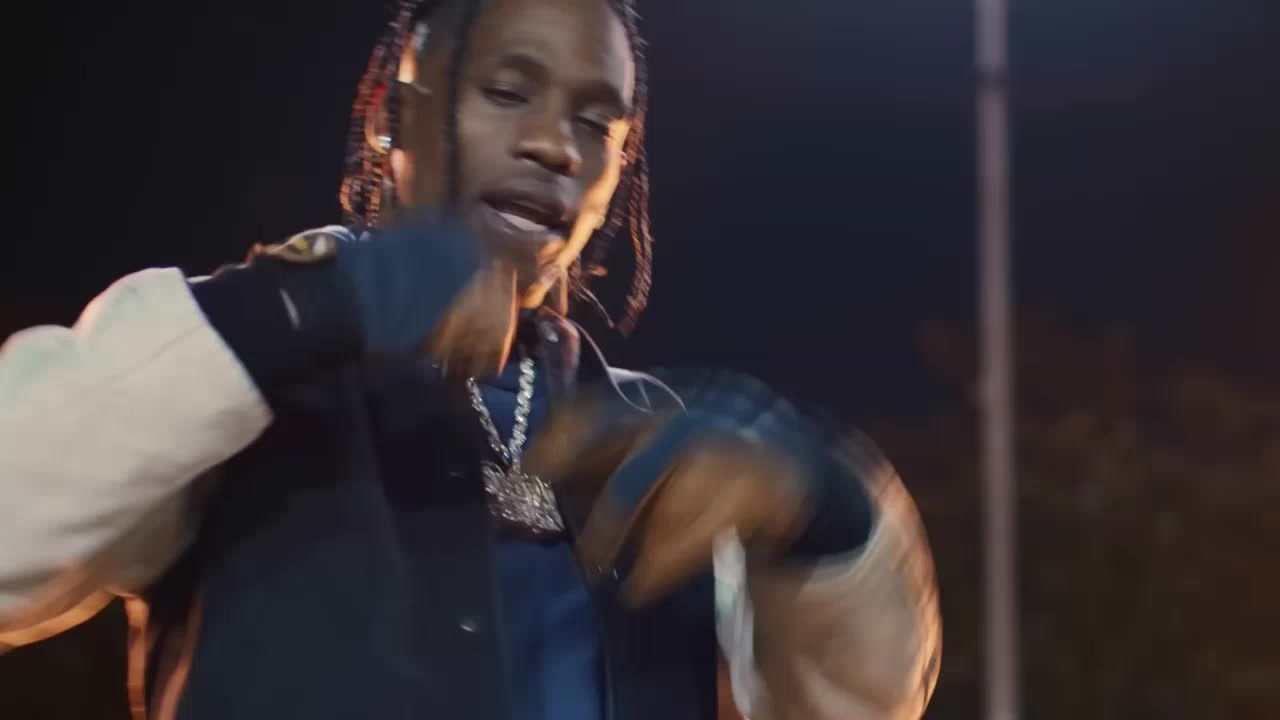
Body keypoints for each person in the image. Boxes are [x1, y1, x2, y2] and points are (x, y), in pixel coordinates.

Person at [0, 0, 941, 718]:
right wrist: (299, 307)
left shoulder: (660, 438)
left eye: (596, 123)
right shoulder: (236, 370)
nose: (554, 146)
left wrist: (823, 514)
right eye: (507, 91)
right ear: (392, 117)